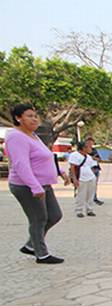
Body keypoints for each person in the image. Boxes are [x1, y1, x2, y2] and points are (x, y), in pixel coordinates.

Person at [6, 104, 69, 264]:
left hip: (44, 184)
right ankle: (41, 254)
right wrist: (34, 186)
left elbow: (46, 157)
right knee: (38, 219)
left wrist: (59, 171)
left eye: (35, 116)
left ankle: (30, 244)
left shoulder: (33, 135)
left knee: (54, 215)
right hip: (26, 186)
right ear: (18, 118)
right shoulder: (16, 137)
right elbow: (21, 164)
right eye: (29, 116)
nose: (34, 119)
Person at [68, 141, 98, 218]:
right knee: (81, 194)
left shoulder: (88, 157)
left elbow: (92, 166)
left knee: (90, 194)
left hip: (90, 177)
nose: (90, 148)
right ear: (83, 148)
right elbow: (72, 167)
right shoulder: (74, 155)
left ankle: (89, 209)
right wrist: (74, 179)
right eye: (88, 147)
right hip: (81, 178)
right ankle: (79, 210)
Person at [85, 136, 104, 205]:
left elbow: (99, 158)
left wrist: (95, 158)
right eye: (88, 142)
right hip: (88, 169)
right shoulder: (84, 150)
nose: (90, 143)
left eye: (91, 142)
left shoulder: (94, 150)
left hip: (96, 168)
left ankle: (94, 198)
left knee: (94, 185)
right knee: (86, 184)